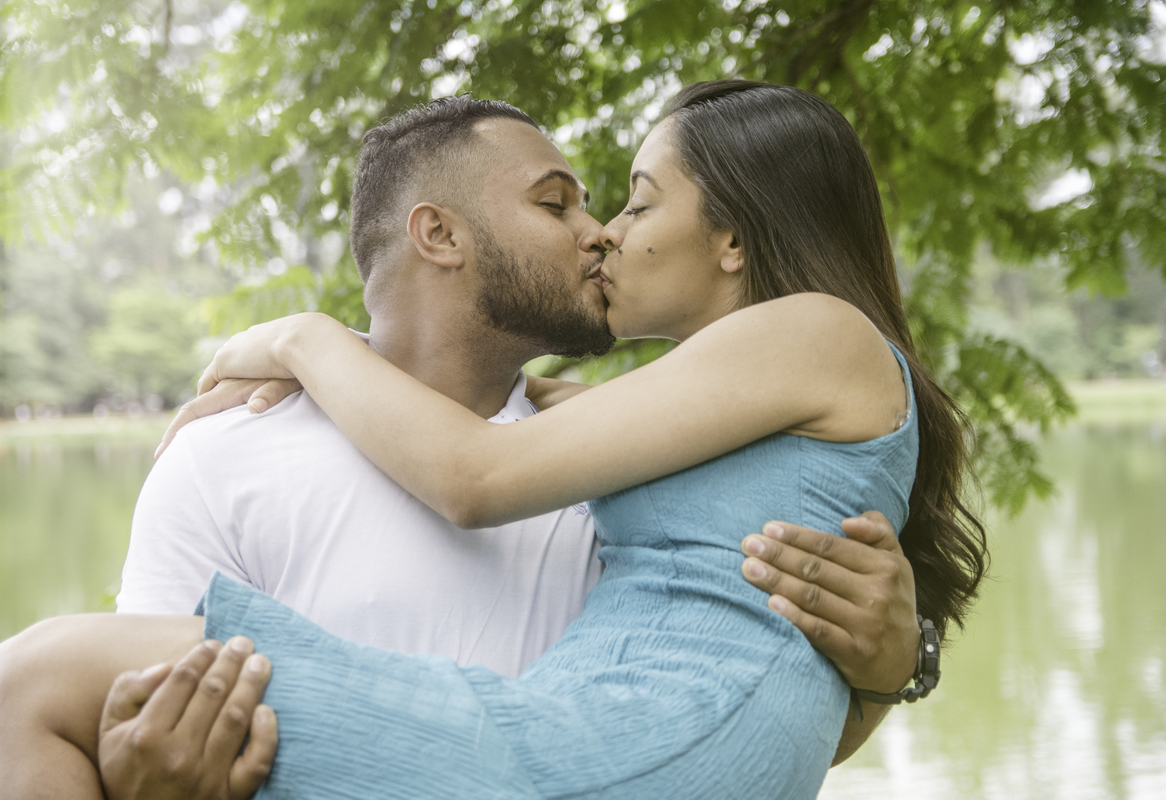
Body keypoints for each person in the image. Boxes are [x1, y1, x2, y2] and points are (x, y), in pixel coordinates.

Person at [0, 80, 984, 799]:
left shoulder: (796, 342)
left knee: (27, 678)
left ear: (733, 240)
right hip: (579, 750)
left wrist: (300, 336)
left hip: (573, 750)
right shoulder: (231, 457)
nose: (606, 231)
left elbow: (476, 474)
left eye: (636, 200)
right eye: (567, 202)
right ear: (438, 233)